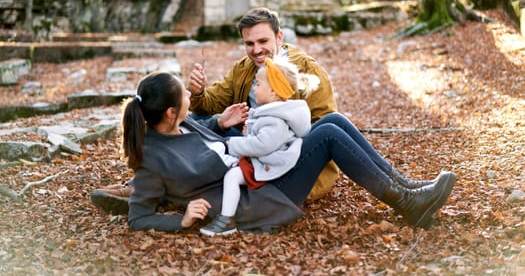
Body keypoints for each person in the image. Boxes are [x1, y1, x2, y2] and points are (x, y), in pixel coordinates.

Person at [90, 7, 444, 214]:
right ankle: (146, 180)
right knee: (196, 119)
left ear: (279, 37)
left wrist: (267, 134)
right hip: (255, 155)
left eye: (263, 41)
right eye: (249, 43)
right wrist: (197, 94)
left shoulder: (304, 71)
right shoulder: (245, 69)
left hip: (292, 159)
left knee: (333, 123)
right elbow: (209, 104)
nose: (257, 50)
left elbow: (316, 127)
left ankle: (405, 189)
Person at [119, 71, 455, 233]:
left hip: (260, 169)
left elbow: (203, 134)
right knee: (327, 138)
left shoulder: (184, 123)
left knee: (332, 119)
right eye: (186, 98)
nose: (190, 100)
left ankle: (407, 187)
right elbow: (138, 217)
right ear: (168, 113)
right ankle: (409, 205)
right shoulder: (151, 160)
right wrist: (181, 218)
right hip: (258, 195)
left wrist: (220, 122)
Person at [199, 57, 319, 236]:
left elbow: (262, 145)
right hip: (261, 159)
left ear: (273, 91)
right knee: (230, 170)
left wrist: (231, 144)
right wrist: (248, 132)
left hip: (268, 164)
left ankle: (227, 220)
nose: (254, 88)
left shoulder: (275, 119)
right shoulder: (273, 112)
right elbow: (263, 140)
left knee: (232, 176)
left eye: (258, 84)